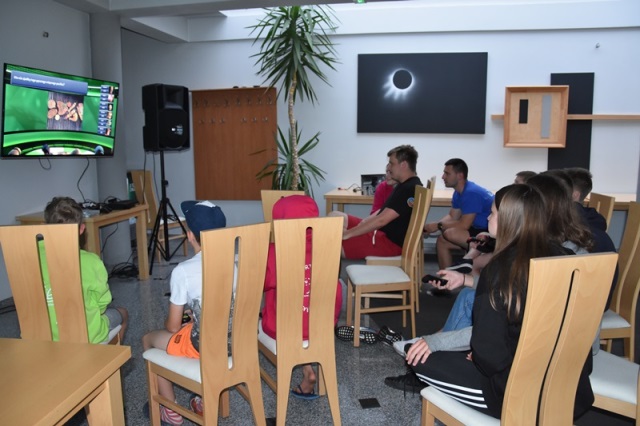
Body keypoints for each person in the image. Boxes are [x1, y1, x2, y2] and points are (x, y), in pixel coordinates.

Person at [399, 184, 595, 419]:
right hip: (569, 384)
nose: (488, 218)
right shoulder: (564, 257)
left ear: (508, 219)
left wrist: (478, 354)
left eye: (492, 213)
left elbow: (489, 354)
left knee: (417, 358)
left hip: (513, 394)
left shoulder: (499, 268)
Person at [142, 200, 226, 425]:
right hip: (233, 341)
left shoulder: (184, 271)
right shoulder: (236, 263)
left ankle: (170, 409)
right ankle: (202, 398)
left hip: (204, 346)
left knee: (148, 339)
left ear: (190, 235)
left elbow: (172, 326)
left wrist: (175, 320)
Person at [261, 195, 343, 399]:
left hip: (282, 329)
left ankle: (250, 379)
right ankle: (308, 369)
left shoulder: (274, 252)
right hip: (321, 327)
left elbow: (261, 285)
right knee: (302, 314)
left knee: (257, 317)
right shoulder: (328, 248)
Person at [42, 196, 128, 344]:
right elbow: (102, 303)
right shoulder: (91, 262)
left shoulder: (30, 257)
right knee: (123, 313)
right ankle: (111, 357)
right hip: (87, 336)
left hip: (41, 337)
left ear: (44, 227)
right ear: (82, 229)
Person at [340, 145, 422, 259]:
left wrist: (348, 234)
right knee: (336, 219)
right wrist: (361, 224)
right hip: (382, 235)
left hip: (389, 243)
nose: (389, 167)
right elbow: (381, 214)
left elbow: (381, 220)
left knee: (333, 244)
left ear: (403, 164)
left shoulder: (408, 188)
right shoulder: (406, 185)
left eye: (391, 163)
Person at [424, 158, 494, 269]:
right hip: (478, 229)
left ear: (460, 175)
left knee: (450, 233)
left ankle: (478, 254)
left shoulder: (471, 193)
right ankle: (445, 277)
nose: (443, 177)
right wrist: (432, 227)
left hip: (490, 236)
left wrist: (438, 226)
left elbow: (464, 225)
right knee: (442, 241)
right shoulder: (459, 192)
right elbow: (452, 216)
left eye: (447, 173)